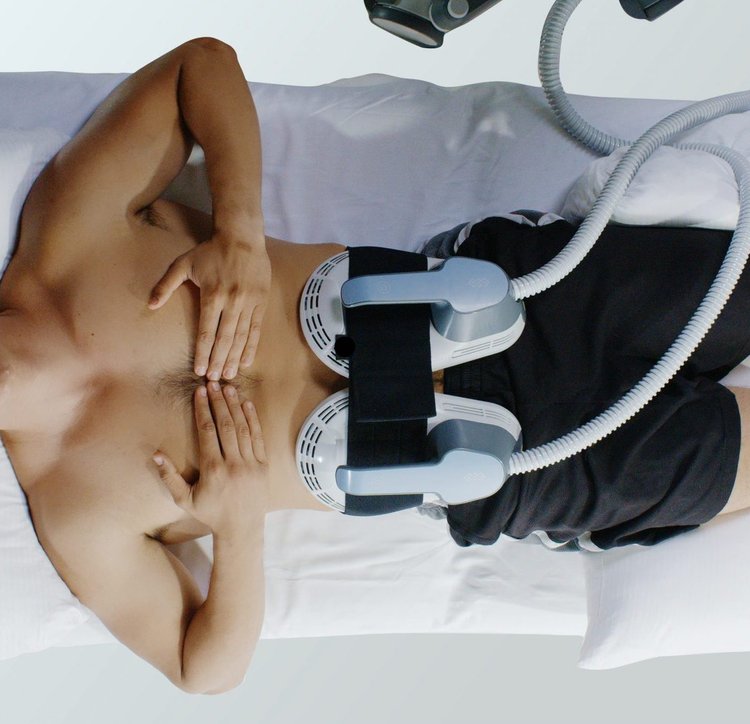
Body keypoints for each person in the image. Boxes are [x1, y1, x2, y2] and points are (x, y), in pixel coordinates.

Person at [0, 37, 747, 694]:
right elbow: (205, 670)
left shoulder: (66, 230)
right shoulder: (73, 508)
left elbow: (201, 66)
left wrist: (238, 232)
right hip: (507, 457)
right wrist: (238, 531)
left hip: (511, 299)